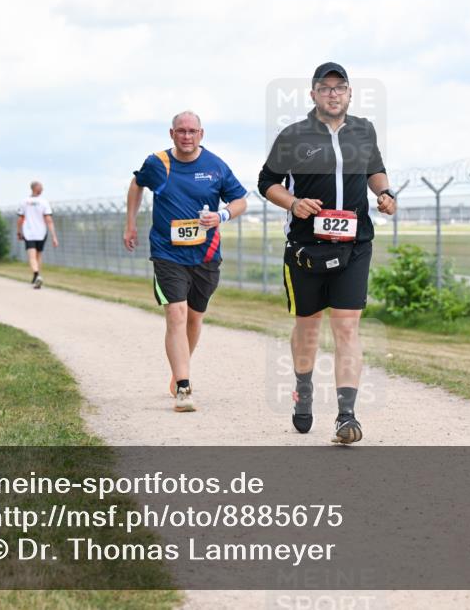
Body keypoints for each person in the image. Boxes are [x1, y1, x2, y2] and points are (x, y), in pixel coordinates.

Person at [258, 62, 396, 444]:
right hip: (306, 247)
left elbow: (375, 169)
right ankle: (303, 387)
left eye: (340, 87)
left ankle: (346, 416)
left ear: (350, 93)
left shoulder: (364, 131)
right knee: (308, 326)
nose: (333, 94)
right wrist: (293, 202)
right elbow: (267, 182)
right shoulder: (293, 135)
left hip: (354, 245)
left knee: (347, 326)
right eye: (325, 88)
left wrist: (384, 192)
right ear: (313, 94)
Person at [124, 111, 248, 413]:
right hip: (167, 252)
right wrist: (130, 224)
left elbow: (240, 201)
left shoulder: (216, 166)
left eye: (192, 131)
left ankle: (180, 369)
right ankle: (183, 386)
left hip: (206, 254)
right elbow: (137, 183)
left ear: (201, 134)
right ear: (172, 134)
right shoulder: (158, 163)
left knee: (194, 318)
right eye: (181, 131)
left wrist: (221, 216)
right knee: (176, 314)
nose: (187, 136)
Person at [16, 181, 58, 289]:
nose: (43, 189)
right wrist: (54, 236)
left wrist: (19, 231)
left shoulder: (24, 202)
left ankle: (36, 275)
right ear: (36, 188)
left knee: (32, 256)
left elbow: (20, 219)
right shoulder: (44, 202)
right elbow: (49, 220)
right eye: (41, 187)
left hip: (29, 232)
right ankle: (37, 276)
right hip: (41, 233)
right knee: (38, 255)